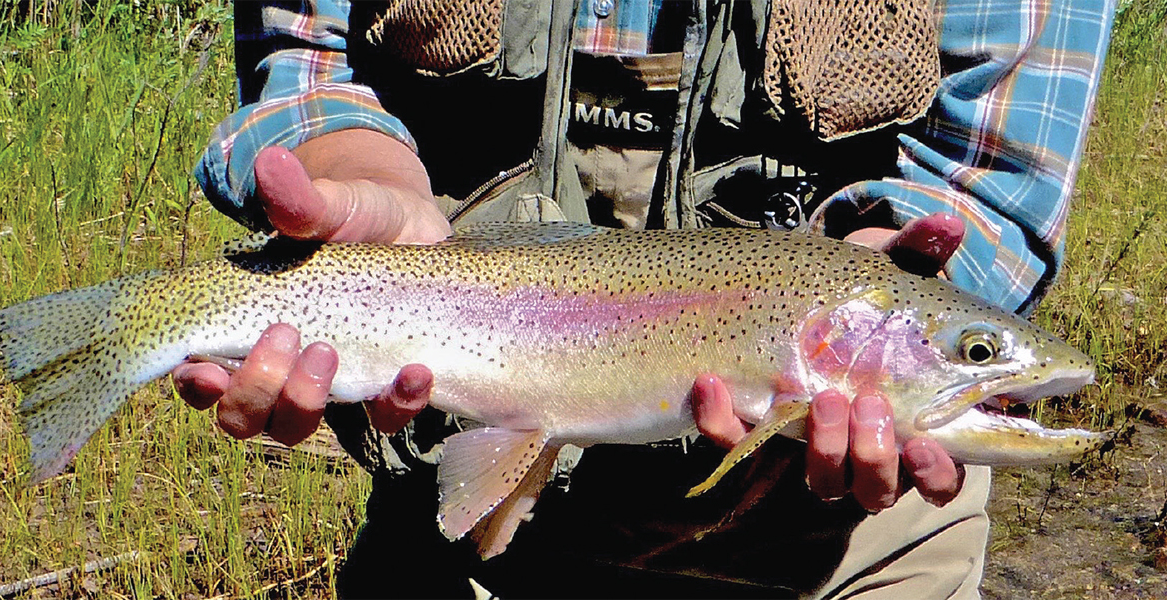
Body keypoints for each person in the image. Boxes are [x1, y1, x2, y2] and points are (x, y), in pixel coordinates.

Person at [173, 0, 1116, 597]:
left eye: (978, 357)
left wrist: (909, 270)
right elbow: (304, 53)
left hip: (847, 561)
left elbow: (988, 187)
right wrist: (347, 167)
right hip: (454, 536)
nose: (999, 371)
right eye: (982, 356)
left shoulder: (839, 316)